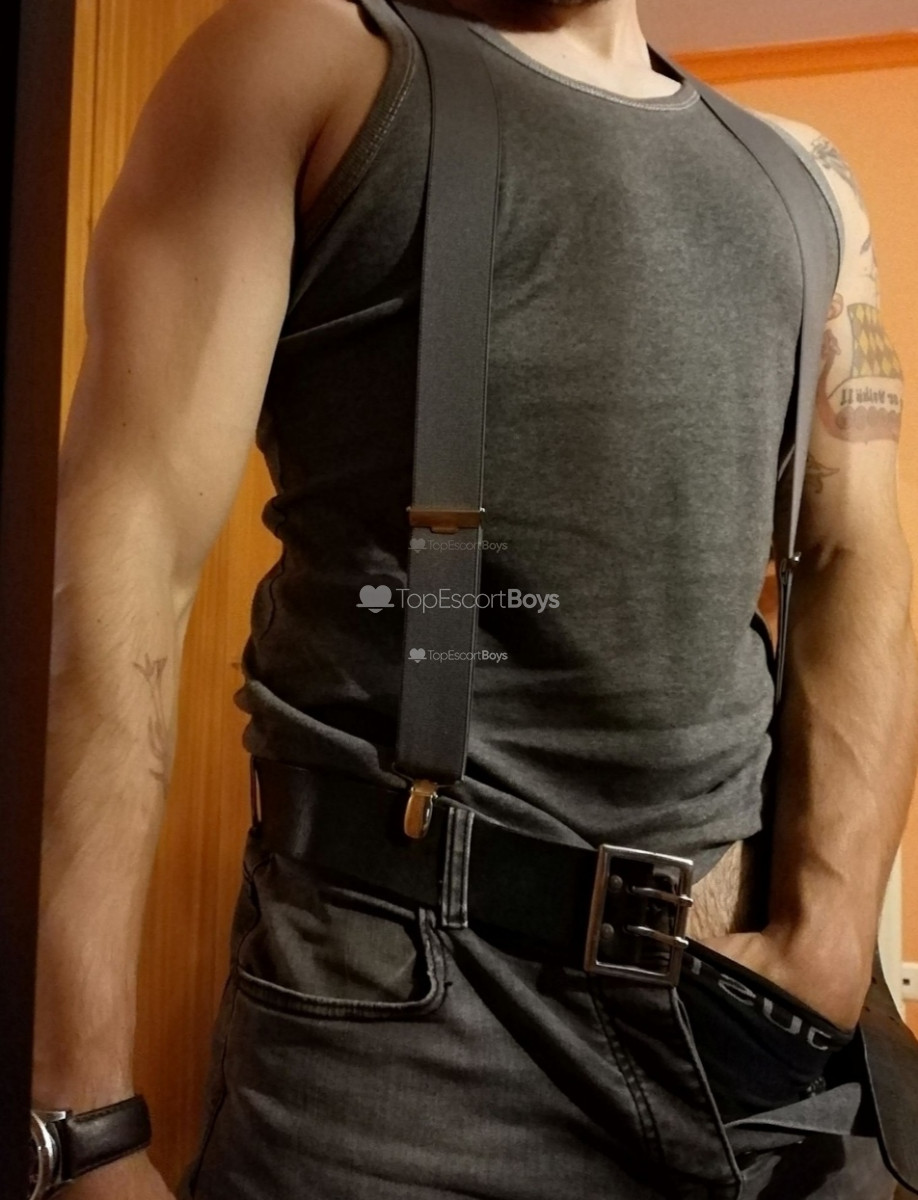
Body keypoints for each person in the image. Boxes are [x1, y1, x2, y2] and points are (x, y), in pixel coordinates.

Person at [32, 0, 918, 1195]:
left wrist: (834, 926)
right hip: (414, 1038)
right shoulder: (315, 61)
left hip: (756, 1031)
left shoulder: (805, 181)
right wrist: (78, 1117)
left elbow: (859, 552)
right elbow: (126, 556)